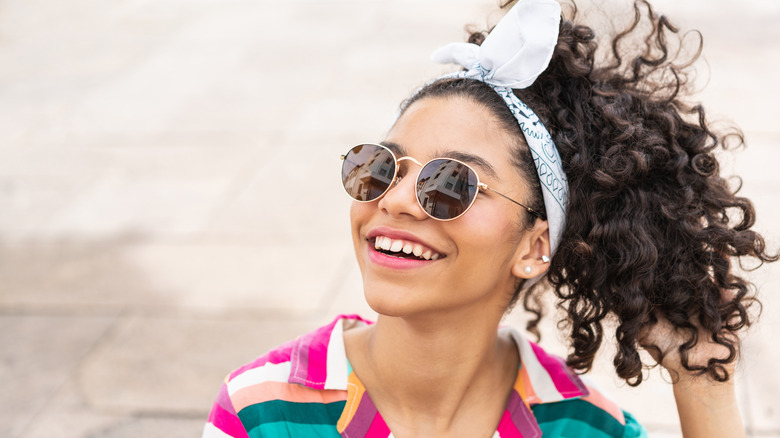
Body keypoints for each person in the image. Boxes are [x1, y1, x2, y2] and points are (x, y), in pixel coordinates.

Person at [203, 0, 776, 436]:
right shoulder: (263, 411)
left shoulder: (579, 427)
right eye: (380, 167)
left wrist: (702, 382)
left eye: (452, 183)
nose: (395, 201)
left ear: (535, 245)